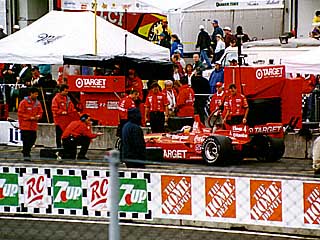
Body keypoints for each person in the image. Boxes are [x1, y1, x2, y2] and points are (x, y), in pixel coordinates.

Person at [17, 87, 43, 161]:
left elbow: (41, 111)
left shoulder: (38, 103)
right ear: (31, 93)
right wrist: (29, 117)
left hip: (33, 126)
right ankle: (26, 154)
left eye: (37, 94)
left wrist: (39, 116)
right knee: (26, 141)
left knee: (33, 139)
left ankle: (26, 151)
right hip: (25, 126)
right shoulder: (23, 102)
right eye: (35, 94)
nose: (36, 96)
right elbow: (20, 113)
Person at [51, 84, 79, 148]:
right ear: (61, 91)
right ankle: (59, 147)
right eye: (65, 91)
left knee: (67, 135)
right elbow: (54, 109)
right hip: (59, 120)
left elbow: (72, 108)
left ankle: (66, 147)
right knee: (59, 135)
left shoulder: (68, 99)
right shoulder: (56, 99)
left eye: (67, 91)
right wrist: (61, 112)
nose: (67, 92)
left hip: (67, 120)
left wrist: (74, 112)